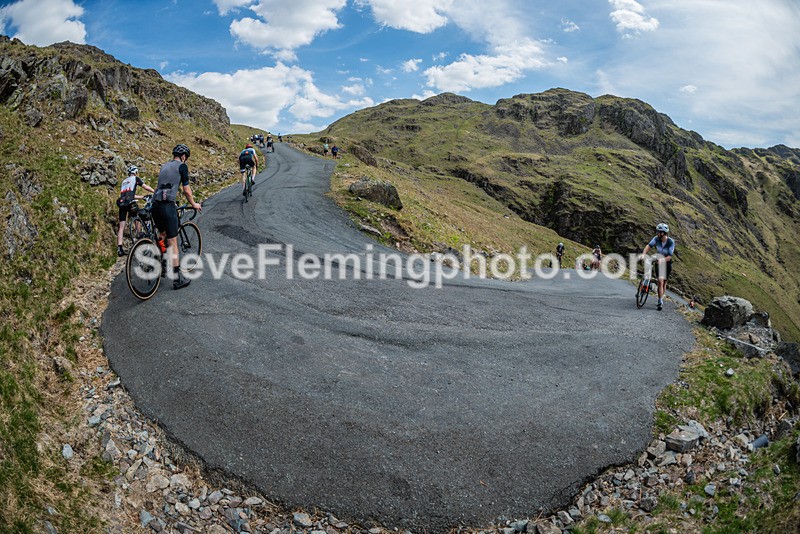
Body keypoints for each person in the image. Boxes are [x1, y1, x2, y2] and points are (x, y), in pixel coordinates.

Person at [151, 144, 202, 290]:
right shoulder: (182, 166)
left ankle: (161, 262)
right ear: (184, 156)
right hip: (168, 206)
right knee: (173, 241)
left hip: (155, 205)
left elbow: (159, 187)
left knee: (162, 234)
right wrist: (193, 204)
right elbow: (186, 190)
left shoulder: (164, 166)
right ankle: (177, 279)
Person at [116, 165, 154, 256]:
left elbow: (129, 195)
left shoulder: (124, 181)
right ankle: (139, 237)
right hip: (130, 204)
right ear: (135, 172)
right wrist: (154, 191)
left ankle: (120, 249)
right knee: (138, 217)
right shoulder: (135, 178)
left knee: (121, 226)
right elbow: (146, 187)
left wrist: (142, 197)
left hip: (122, 203)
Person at [640, 223, 675, 311]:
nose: (658, 233)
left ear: (664, 233)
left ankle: (661, 298)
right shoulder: (656, 239)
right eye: (658, 231)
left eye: (660, 232)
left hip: (667, 263)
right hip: (658, 263)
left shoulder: (671, 242)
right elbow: (648, 246)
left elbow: (670, 256)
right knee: (660, 281)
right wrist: (643, 254)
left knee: (664, 282)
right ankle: (660, 301)